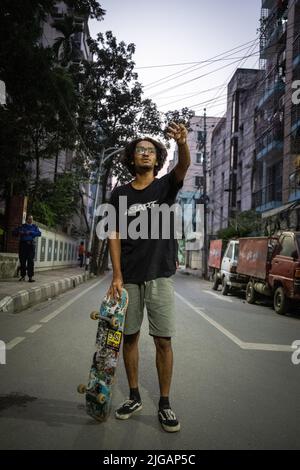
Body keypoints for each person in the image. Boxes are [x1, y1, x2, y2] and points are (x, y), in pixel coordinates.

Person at [108, 122, 190, 433]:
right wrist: (116, 275)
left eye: (151, 151)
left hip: (160, 274)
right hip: (129, 275)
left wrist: (182, 142)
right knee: (129, 337)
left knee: (163, 340)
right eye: (140, 150)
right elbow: (113, 234)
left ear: (157, 159)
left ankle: (165, 403)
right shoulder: (120, 194)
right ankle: (133, 396)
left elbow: (183, 164)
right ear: (132, 157)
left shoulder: (166, 186)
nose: (146, 153)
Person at [13, 215, 41, 282]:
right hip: (23, 245)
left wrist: (31, 232)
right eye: (29, 219)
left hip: (31, 245)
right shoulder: (22, 226)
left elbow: (39, 233)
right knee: (22, 261)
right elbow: (14, 232)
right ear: (26, 219)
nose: (30, 220)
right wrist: (20, 232)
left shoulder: (34, 226)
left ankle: (30, 277)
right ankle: (22, 276)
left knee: (30, 261)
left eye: (31, 219)